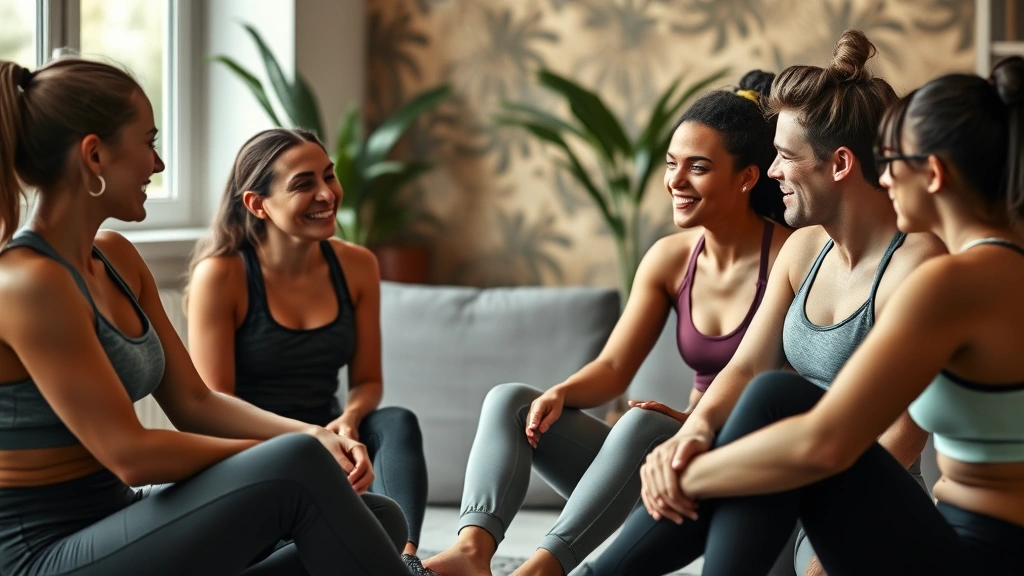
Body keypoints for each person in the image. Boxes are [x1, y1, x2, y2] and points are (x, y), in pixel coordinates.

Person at [588, 55, 1024, 576]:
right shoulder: (986, 270)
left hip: (980, 554)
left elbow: (826, 444)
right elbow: (754, 375)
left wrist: (696, 475)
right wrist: (695, 436)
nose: (882, 178)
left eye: (889, 160)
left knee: (782, 400)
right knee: (775, 397)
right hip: (953, 535)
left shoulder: (947, 280)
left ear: (932, 173)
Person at [0, 57, 413, 575]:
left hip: (114, 517)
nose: (159, 164)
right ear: (94, 154)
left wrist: (314, 437)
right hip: (42, 552)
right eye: (148, 142)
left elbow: (194, 401)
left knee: (377, 518)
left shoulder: (117, 257)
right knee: (304, 476)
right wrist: (293, 453)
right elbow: (130, 454)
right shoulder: (28, 281)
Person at [423, 70, 792, 576]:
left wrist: (689, 424)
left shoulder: (794, 256)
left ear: (748, 176)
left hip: (740, 470)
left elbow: (785, 387)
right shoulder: (669, 259)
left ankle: (542, 570)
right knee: (513, 400)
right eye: (671, 164)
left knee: (642, 423)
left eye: (698, 167)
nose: (675, 182)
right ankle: (472, 554)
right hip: (670, 471)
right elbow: (615, 366)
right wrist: (561, 392)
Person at [185, 127, 431, 573]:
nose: (326, 194)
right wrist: (306, 442)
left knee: (395, 422)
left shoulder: (357, 265)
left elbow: (368, 381)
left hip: (329, 439)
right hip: (253, 450)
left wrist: (349, 420)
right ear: (257, 204)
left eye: (329, 176)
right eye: (303, 184)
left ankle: (404, 561)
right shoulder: (221, 276)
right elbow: (214, 409)